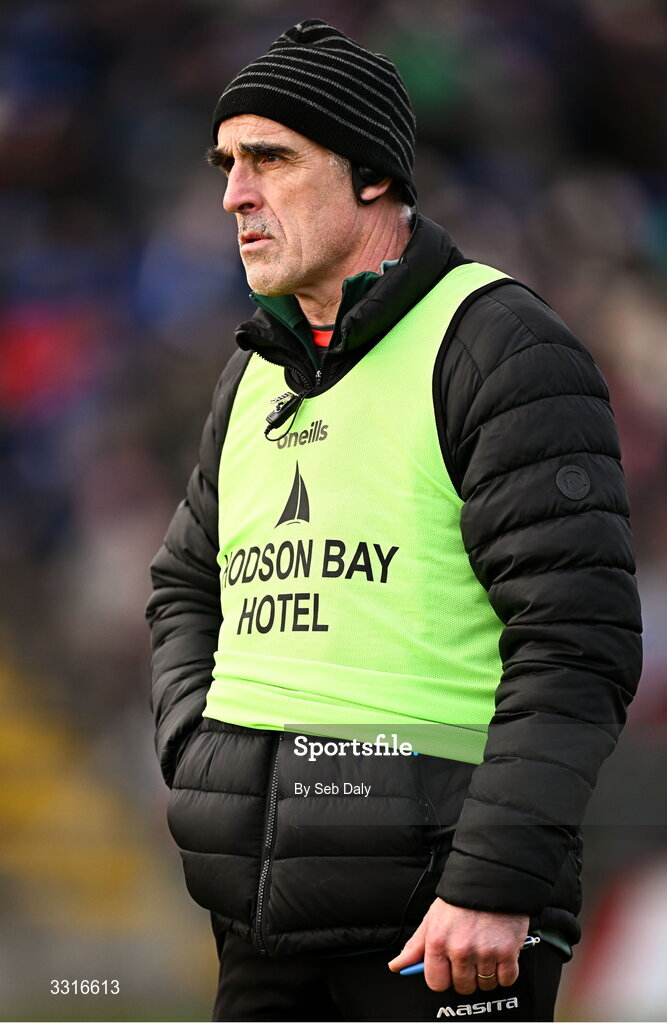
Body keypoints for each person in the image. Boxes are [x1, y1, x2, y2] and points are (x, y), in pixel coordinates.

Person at [146, 19, 642, 1023]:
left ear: (372, 174)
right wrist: (206, 765)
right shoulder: (255, 370)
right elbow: (182, 586)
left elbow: (576, 642)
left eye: (271, 159)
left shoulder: (498, 344)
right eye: (228, 164)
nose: (235, 194)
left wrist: (494, 881)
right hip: (261, 929)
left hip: (448, 931)